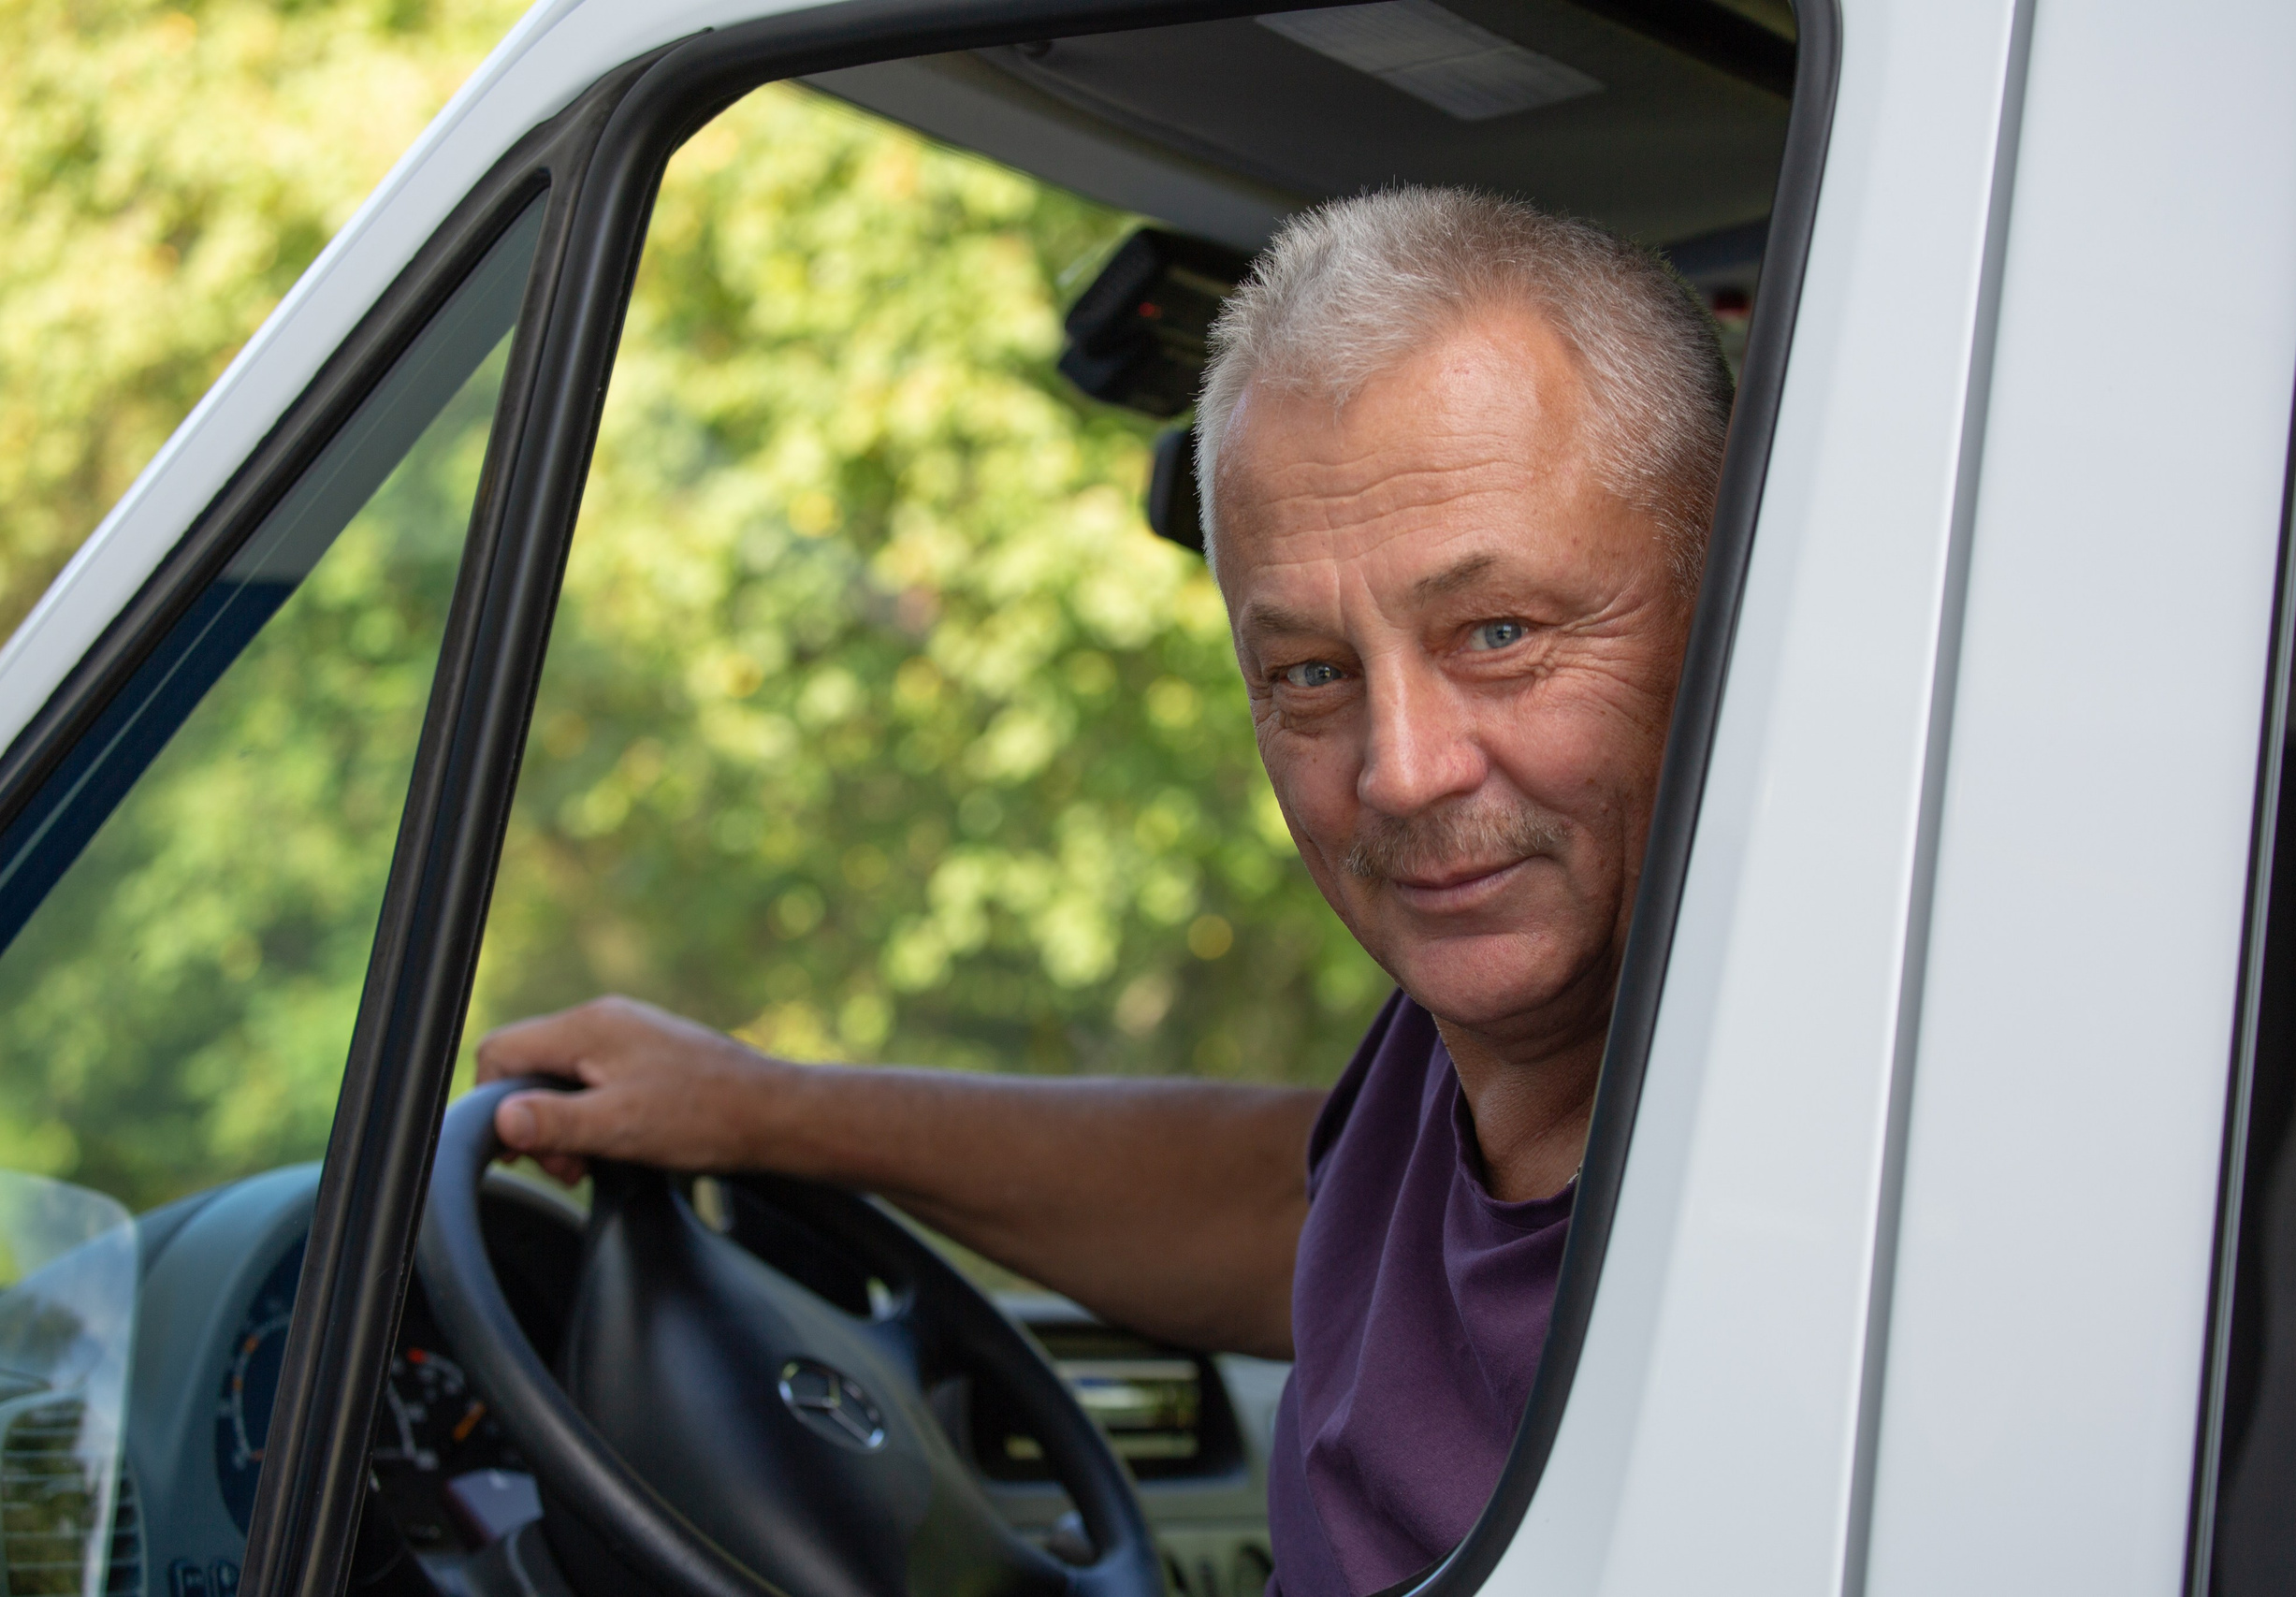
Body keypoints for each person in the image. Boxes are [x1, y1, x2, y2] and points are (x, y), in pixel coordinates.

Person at [475, 185, 1733, 1596]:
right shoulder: (1494, 1044)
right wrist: (758, 1109)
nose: (1401, 771)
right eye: (1310, 673)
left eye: (1499, 632)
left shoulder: (1795, 1210)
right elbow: (1295, 1215)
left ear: (1738, 591)